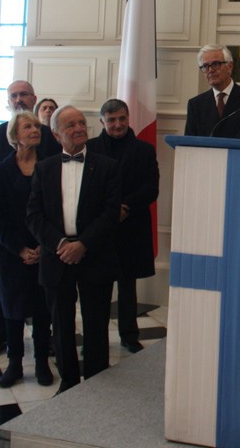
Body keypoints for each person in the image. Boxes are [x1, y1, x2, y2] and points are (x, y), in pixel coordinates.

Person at [26, 105, 121, 395]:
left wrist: (83, 244)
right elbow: (34, 215)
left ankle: (96, 381)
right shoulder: (44, 168)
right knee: (61, 323)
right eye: (71, 125)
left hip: (94, 254)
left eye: (81, 123)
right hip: (57, 255)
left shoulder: (107, 166)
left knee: (96, 322)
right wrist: (61, 245)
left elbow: (111, 212)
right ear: (56, 134)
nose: (79, 128)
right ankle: (68, 383)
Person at [0, 80, 60, 360]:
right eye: (13, 95)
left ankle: (45, 343)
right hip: (7, 228)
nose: (19, 99)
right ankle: (0, 337)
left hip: (42, 230)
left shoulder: (47, 135)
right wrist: (7, 195)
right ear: (8, 101)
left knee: (42, 291)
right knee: (4, 288)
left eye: (24, 94)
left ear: (34, 98)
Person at [87, 99, 159, 353]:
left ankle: (129, 335)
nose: (117, 124)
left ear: (128, 118)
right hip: (99, 229)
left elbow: (151, 187)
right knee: (98, 289)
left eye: (122, 119)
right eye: (111, 120)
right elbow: (85, 189)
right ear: (102, 122)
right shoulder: (90, 149)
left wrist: (126, 206)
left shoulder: (144, 149)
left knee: (128, 287)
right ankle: (95, 338)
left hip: (131, 226)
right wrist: (109, 211)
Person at [184, 44, 240, 137]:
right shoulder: (195, 105)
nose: (210, 70)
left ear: (230, 66)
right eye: (205, 66)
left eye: (215, 64)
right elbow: (189, 142)